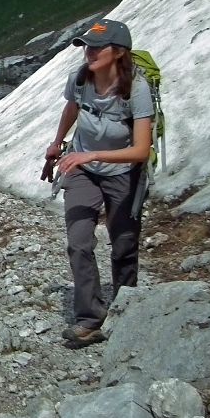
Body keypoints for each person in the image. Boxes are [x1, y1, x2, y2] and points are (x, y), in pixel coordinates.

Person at [45, 18, 153, 345]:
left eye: (96, 47)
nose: (88, 53)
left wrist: (92, 156)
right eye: (86, 46)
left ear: (119, 52)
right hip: (81, 169)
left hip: (121, 173)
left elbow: (140, 150)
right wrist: (57, 143)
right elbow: (72, 108)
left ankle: (125, 310)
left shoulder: (136, 89)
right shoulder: (79, 79)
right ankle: (90, 319)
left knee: (123, 246)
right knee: (79, 242)